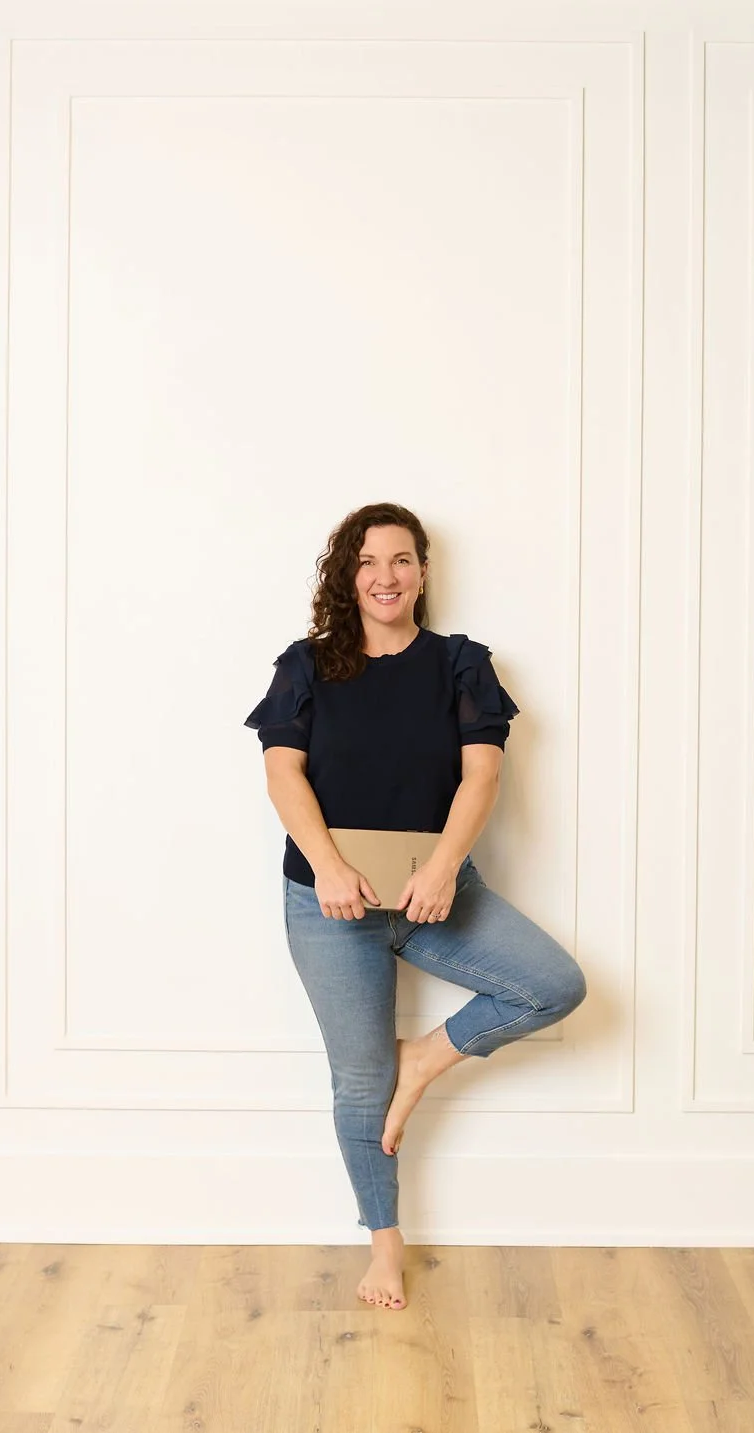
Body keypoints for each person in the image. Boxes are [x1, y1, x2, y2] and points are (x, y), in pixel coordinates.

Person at [244, 502, 587, 1312]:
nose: (385, 577)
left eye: (401, 560)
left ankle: (422, 1061)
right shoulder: (305, 664)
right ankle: (386, 1245)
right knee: (359, 1084)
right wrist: (328, 867)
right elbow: (283, 775)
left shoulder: (462, 663)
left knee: (554, 984)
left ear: (423, 572)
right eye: (368, 562)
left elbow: (483, 774)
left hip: (434, 894)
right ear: (348, 574)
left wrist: (442, 868)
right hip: (330, 902)